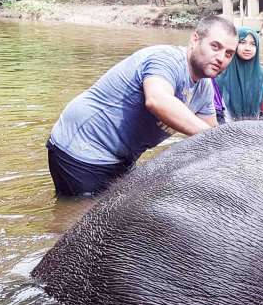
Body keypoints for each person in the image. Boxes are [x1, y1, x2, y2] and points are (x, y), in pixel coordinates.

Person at [46, 15, 236, 196]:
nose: (221, 58)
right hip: (81, 148)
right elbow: (157, 100)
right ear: (195, 39)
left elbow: (212, 139)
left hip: (122, 159)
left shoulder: (205, 89)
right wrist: (211, 136)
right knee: (81, 219)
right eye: (215, 47)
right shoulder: (166, 59)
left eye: (228, 54)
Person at [213, 27, 263, 121]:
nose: (247, 48)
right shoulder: (220, 75)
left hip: (257, 129)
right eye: (242, 42)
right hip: (225, 129)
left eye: (253, 44)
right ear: (234, 45)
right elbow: (214, 111)